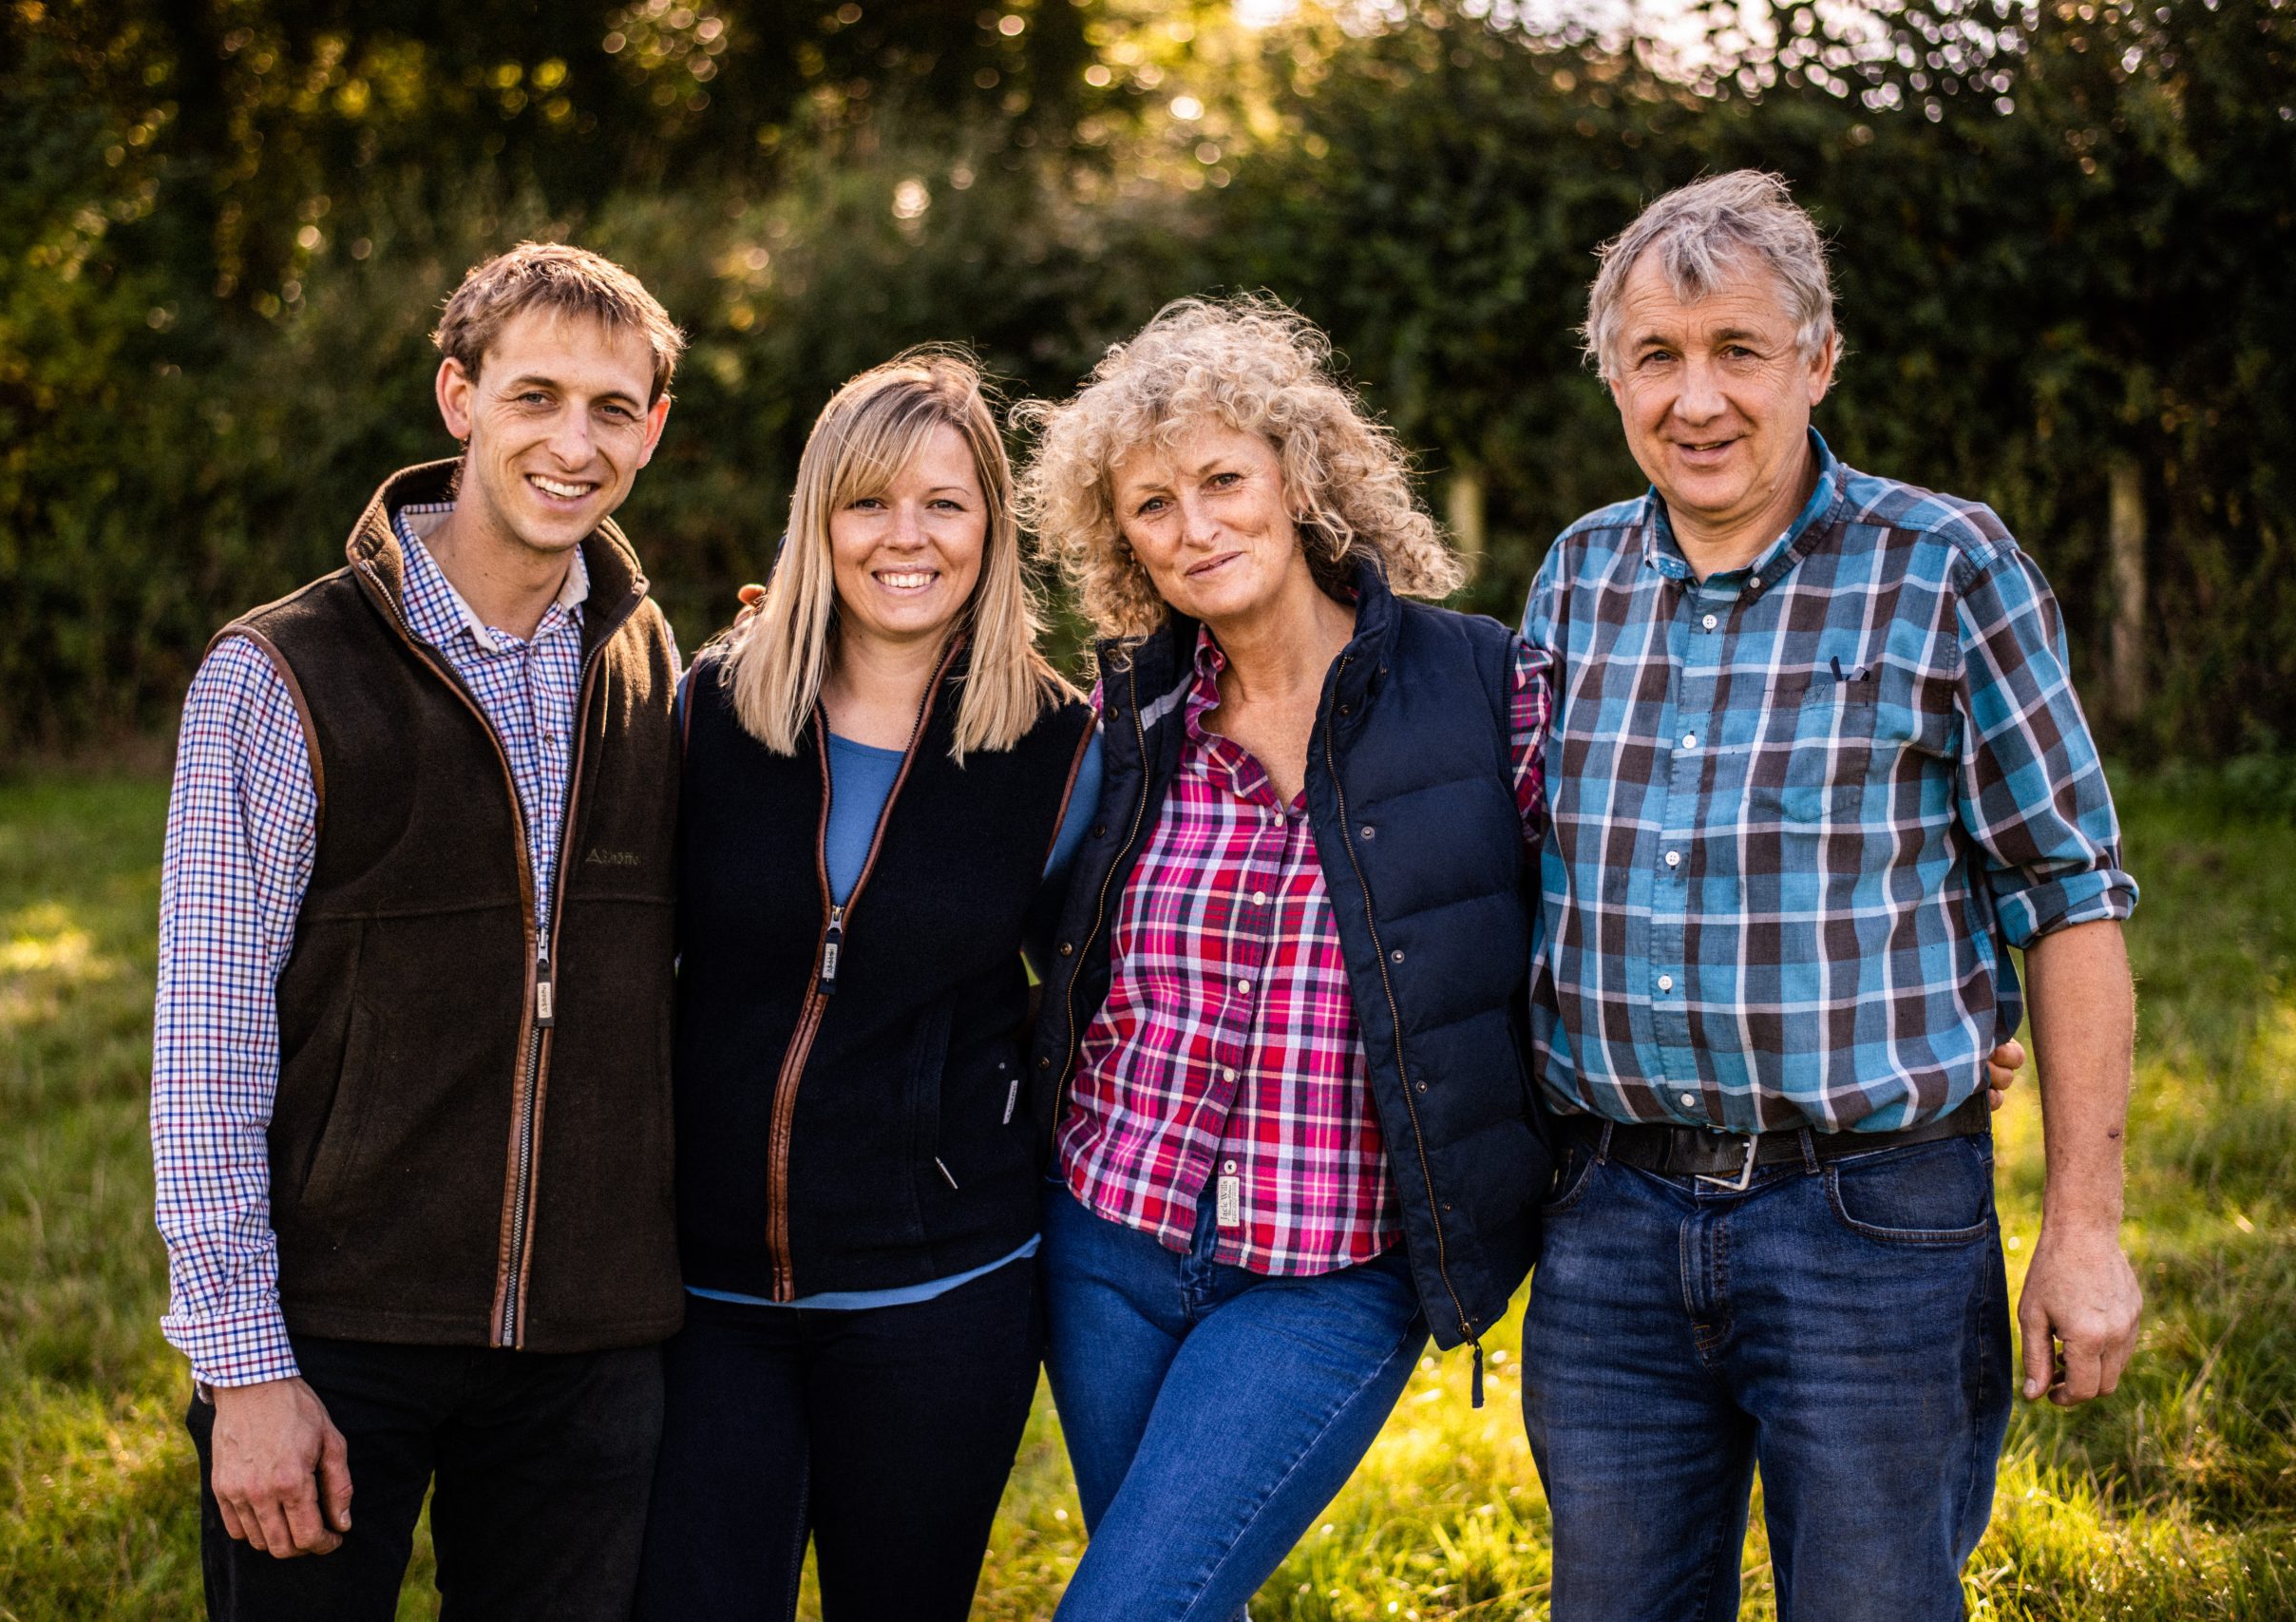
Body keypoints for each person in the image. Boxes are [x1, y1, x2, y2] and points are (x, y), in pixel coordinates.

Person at [1519, 169, 2142, 1622]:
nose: (1697, 398)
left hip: (1869, 1224)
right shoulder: (1575, 578)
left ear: (1818, 359)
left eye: (1738, 349)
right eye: (1655, 357)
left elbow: (2067, 892)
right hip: (1608, 1213)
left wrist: (2087, 1227)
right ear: (1612, 374)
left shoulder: (1944, 566)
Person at [150, 241, 688, 1620]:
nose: (575, 444)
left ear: (654, 428)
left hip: (590, 1341)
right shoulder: (277, 675)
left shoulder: (653, 666)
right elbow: (207, 1048)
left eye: (612, 409)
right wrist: (246, 1367)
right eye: (536, 397)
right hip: (339, 1334)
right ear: (460, 398)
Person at [1012, 296, 1551, 1622]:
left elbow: (1622, 908)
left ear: (1300, 481)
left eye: (1220, 481)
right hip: (1107, 1237)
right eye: (1151, 505)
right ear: (1118, 537)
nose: (1194, 528)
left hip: (1330, 1267)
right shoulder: (1125, 720)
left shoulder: (1485, 687)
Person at [633, 350, 1099, 1621]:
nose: (908, 538)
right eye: (870, 503)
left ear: (991, 529)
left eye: (945, 504)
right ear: (818, 522)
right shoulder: (706, 715)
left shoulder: (1060, 749)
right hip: (704, 1295)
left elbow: (1088, 1006)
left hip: (940, 1298)